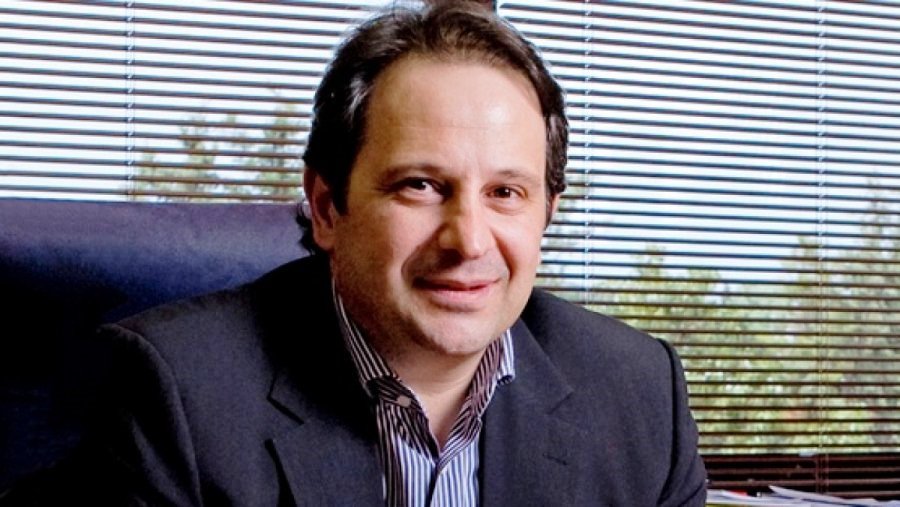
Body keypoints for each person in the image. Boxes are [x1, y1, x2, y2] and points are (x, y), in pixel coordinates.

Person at [4, 2, 706, 505]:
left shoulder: (638, 396)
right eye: (420, 186)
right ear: (326, 206)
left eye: (506, 193)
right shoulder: (180, 396)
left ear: (546, 214)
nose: (468, 239)